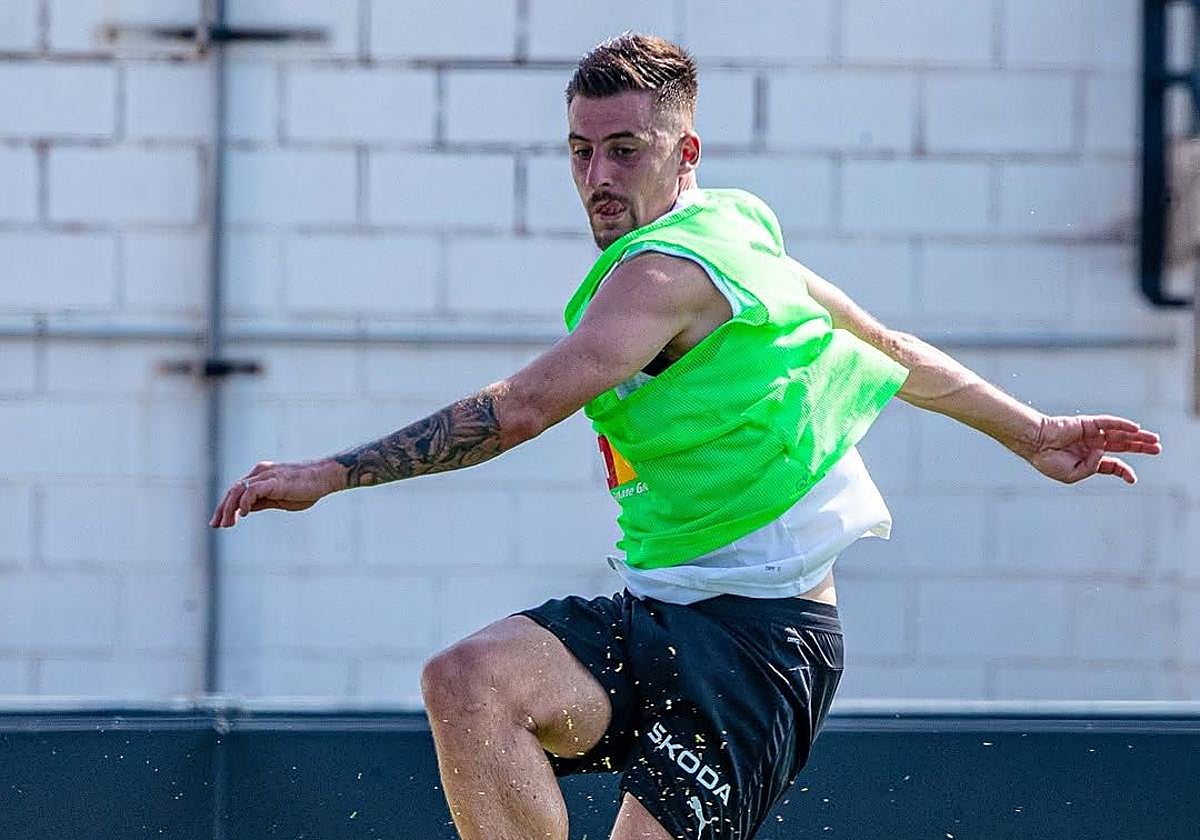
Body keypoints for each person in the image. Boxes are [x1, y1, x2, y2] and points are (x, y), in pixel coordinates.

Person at [210, 33, 1162, 840]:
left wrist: (331, 472)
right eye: (581, 152)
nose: (598, 178)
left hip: (761, 649)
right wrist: (1031, 432)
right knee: (466, 683)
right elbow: (887, 348)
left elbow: (521, 409)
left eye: (625, 150)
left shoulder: (666, 275)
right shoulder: (740, 227)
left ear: (685, 150)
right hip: (660, 614)